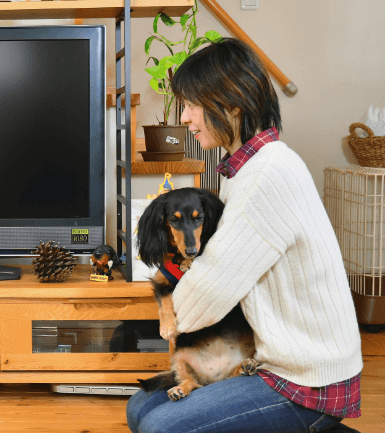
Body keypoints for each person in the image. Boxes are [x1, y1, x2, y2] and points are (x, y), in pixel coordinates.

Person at [126, 38, 362, 433]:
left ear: (231, 104)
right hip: (273, 358)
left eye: (192, 105)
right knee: (140, 408)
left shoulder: (265, 177)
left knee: (161, 426)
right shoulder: (249, 170)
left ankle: (313, 425)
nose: (185, 118)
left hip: (303, 378)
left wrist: (173, 296)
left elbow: (200, 305)